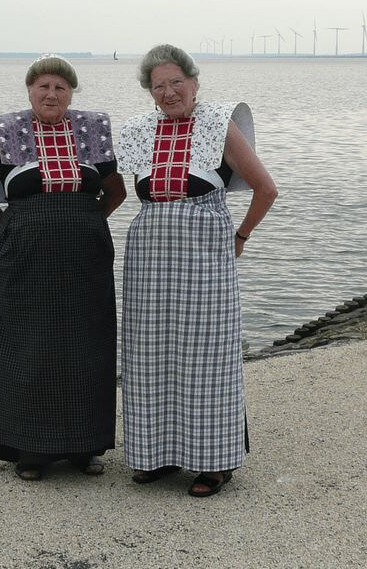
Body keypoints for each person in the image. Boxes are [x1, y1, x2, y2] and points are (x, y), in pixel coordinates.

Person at [116, 44, 278, 497]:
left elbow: (266, 189)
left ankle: (214, 462)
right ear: (150, 92)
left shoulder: (219, 124)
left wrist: (240, 237)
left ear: (194, 82)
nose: (168, 92)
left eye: (176, 82)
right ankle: (157, 454)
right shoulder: (139, 130)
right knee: (149, 357)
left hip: (206, 262)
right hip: (148, 265)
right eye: (158, 86)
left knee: (207, 358)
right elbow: (137, 194)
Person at [0, 54, 126, 481]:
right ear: (30, 91)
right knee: (28, 346)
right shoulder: (6, 133)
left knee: (87, 346)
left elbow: (116, 192)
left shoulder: (92, 131)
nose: (51, 94)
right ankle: (30, 450)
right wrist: (16, 226)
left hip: (85, 262)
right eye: (43, 87)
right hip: (25, 263)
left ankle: (85, 448)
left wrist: (85, 222)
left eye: (60, 87)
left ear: (71, 93)